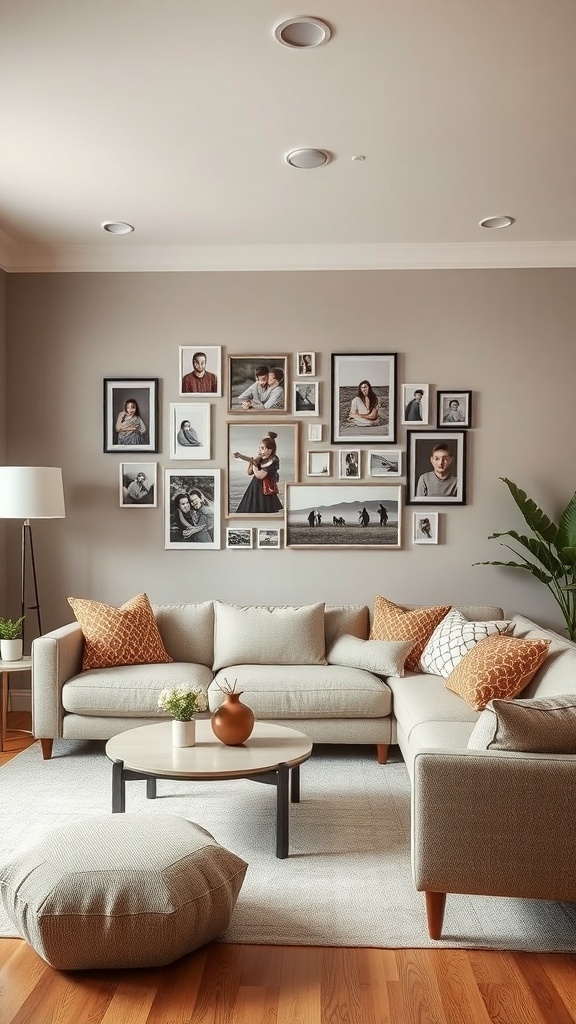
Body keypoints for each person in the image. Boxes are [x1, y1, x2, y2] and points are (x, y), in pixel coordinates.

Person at [233, 431, 282, 514]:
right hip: (255, 488)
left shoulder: (273, 460)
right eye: (260, 448)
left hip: (265, 490)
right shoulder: (261, 458)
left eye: (262, 448)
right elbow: (249, 472)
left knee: (263, 511)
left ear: (270, 451)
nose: (260, 450)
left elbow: (260, 475)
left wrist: (254, 464)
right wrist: (243, 457)